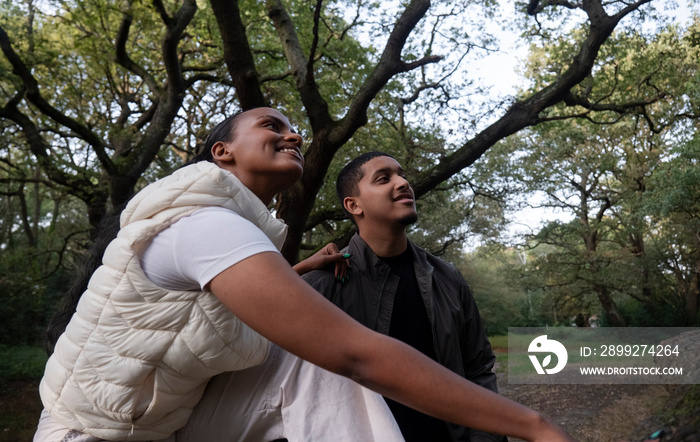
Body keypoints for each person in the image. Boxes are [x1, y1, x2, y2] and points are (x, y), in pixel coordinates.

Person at [35, 107, 575, 442]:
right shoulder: (204, 224)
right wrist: (532, 424)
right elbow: (354, 352)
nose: (293, 136)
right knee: (329, 358)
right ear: (222, 152)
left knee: (312, 365)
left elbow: (209, 310)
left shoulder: (441, 278)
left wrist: (299, 268)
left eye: (296, 131)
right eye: (273, 126)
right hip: (97, 434)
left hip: (171, 425)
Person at [303, 151, 505, 442]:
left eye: (402, 175)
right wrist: (292, 273)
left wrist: (485, 438)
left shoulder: (447, 278)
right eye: (384, 178)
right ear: (353, 205)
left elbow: (478, 368)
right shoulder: (319, 287)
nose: (402, 183)